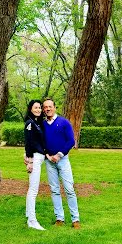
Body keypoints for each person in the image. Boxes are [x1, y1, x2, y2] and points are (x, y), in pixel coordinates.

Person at [42, 98, 81, 229]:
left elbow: (71, 141)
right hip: (49, 161)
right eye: (45, 107)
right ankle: (59, 218)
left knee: (69, 189)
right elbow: (42, 143)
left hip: (62, 160)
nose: (47, 109)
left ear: (54, 107)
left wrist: (59, 155)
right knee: (54, 190)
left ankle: (75, 219)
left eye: (49, 106)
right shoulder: (43, 125)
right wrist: (48, 155)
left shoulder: (64, 122)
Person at [24, 100, 46, 231]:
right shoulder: (30, 123)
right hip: (35, 158)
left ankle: (28, 215)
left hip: (39, 157)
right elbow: (28, 142)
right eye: (36, 107)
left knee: (32, 189)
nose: (38, 109)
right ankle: (32, 220)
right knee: (33, 190)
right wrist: (30, 160)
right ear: (30, 109)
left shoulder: (38, 123)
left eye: (39, 107)